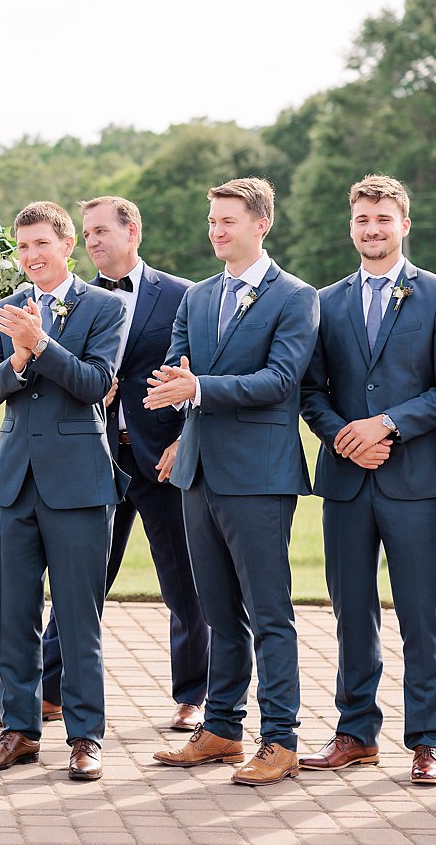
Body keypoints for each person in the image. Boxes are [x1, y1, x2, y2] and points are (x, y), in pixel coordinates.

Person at [0, 196, 208, 732]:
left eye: (100, 231)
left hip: (158, 456)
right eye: (87, 233)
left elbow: (196, 374)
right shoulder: (65, 301)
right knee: (84, 586)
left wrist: (186, 440)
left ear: (132, 231)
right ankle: (47, 692)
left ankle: (193, 695)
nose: (92, 242)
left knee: (182, 580)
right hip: (90, 457)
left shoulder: (181, 295)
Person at [147, 177, 318, 786]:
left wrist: (198, 387)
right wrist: (174, 385)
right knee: (218, 611)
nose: (216, 231)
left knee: (269, 613)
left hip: (259, 476)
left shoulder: (295, 297)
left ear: (260, 225)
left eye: (228, 221)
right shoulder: (197, 296)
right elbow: (176, 362)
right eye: (212, 220)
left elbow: (281, 380)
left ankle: (281, 740)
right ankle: (221, 728)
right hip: (198, 471)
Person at [0, 201, 126, 782]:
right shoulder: (4, 310)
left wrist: (42, 344)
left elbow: (95, 384)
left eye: (42, 244)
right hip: (14, 483)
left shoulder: (105, 307)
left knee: (79, 617)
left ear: (67, 246)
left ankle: (85, 738)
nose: (32, 256)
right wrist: (16, 357)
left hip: (80, 483)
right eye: (23, 246)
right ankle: (19, 731)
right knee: (14, 614)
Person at [298, 175, 436, 785]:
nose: (372, 229)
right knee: (351, 611)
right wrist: (343, 437)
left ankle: (428, 739)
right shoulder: (324, 302)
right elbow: (310, 391)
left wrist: (388, 425)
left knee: (422, 615)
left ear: (404, 224)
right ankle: (355, 733)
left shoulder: (434, 294)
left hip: (417, 482)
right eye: (362, 219)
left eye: (383, 219)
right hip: (346, 481)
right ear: (350, 225)